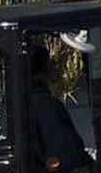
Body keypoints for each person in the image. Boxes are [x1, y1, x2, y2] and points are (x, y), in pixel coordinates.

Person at [30, 43, 95, 173]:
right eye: (51, 62)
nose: (56, 67)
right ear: (43, 71)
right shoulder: (46, 106)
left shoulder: (11, 104)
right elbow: (67, 154)